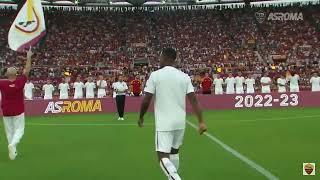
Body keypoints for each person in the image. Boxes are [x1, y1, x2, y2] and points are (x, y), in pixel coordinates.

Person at [138, 48, 207, 180]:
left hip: (164, 123)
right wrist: (201, 121)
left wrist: (141, 116)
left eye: (160, 57)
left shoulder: (156, 75)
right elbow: (194, 100)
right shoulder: (184, 76)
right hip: (180, 122)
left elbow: (147, 99)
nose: (159, 60)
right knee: (174, 153)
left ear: (164, 58)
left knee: (162, 156)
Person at [0, 47, 32, 160]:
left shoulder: (2, 83)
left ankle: (12, 152)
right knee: (20, 130)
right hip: (18, 110)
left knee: (9, 131)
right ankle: (13, 145)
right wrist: (28, 57)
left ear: (7, 75)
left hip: (6, 111)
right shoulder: (20, 81)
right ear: (16, 74)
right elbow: (27, 70)